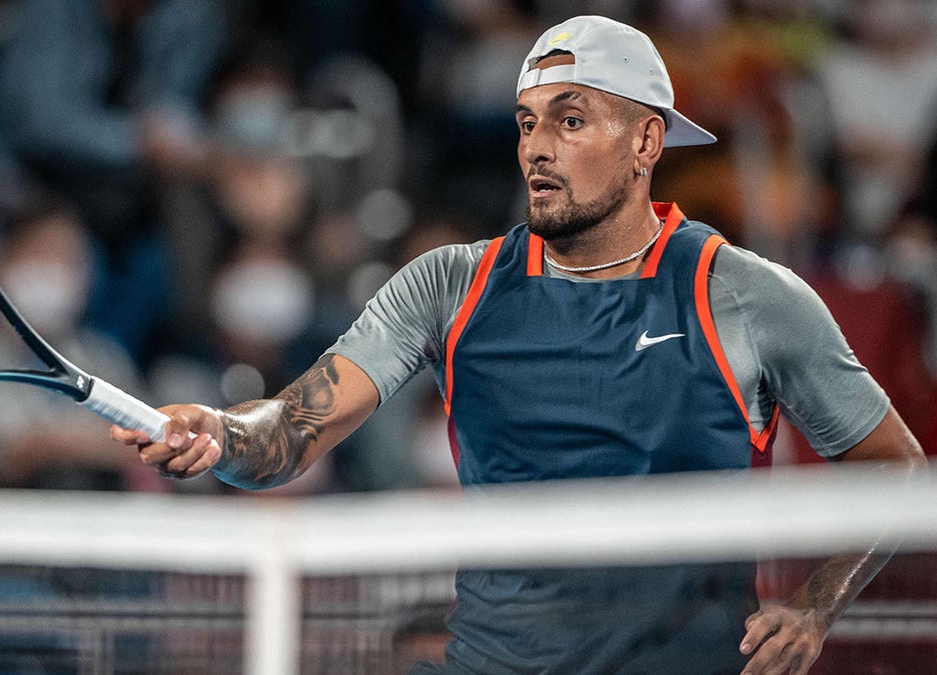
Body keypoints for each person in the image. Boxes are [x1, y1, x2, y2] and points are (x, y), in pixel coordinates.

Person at [110, 15, 928, 674]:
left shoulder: (745, 294)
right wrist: (220, 432)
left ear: (647, 142)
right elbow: (289, 431)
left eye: (572, 120)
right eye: (528, 122)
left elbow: (892, 467)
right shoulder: (448, 286)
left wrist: (817, 602)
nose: (537, 145)